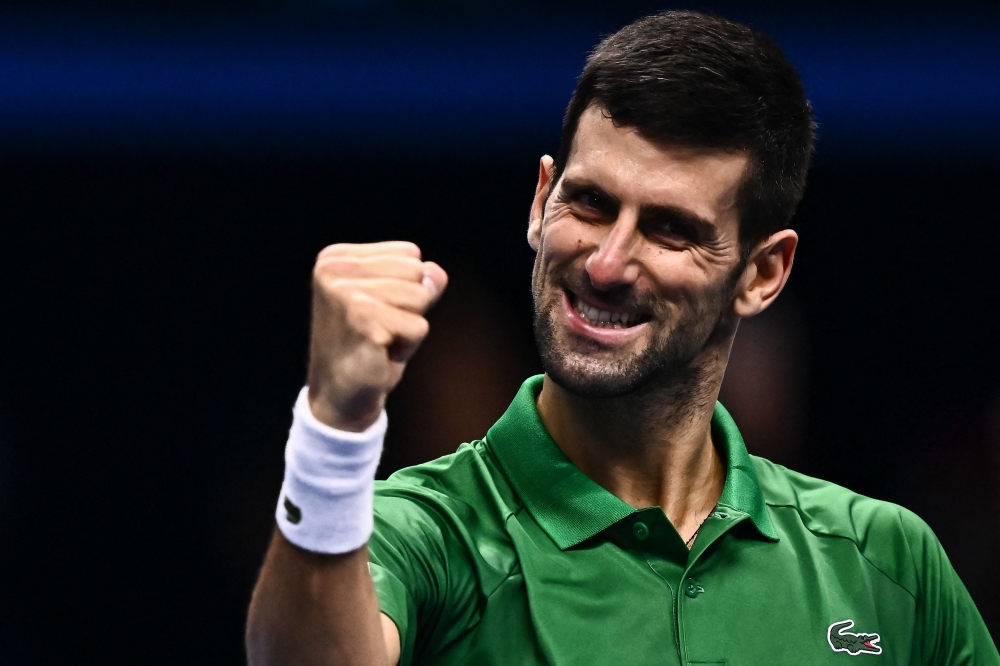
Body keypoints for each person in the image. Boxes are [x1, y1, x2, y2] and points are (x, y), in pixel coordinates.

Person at [246, 10, 1000, 665]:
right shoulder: (422, 532)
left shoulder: (886, 561)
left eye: (670, 229)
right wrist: (335, 428)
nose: (607, 264)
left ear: (762, 273)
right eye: (592, 203)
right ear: (542, 201)